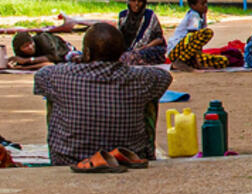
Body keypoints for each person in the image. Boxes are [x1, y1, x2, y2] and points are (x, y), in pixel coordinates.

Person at [33, 22, 171, 168]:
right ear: (122, 53)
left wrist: (78, 63)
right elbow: (164, 77)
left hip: (69, 160)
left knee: (52, 95)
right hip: (126, 157)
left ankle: (64, 150)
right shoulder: (140, 78)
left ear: (86, 52)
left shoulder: (60, 76)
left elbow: (41, 75)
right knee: (150, 95)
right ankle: (144, 152)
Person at [167, 0, 229, 70]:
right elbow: (191, 37)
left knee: (223, 60)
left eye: (206, 3)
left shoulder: (201, 15)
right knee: (207, 33)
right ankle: (179, 62)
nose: (205, 6)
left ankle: (189, 62)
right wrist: (198, 62)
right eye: (202, 4)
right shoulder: (194, 16)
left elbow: (197, 43)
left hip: (189, 54)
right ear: (193, 6)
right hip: (178, 51)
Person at [118, 0, 167, 65]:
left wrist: (143, 47)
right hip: (128, 48)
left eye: (140, 1)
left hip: (148, 48)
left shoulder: (149, 15)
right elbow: (120, 36)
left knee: (132, 56)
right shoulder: (123, 16)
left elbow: (159, 39)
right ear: (128, 2)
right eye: (133, 0)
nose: (136, 4)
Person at [10, 28, 79, 69]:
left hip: (68, 52)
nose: (30, 47)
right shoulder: (20, 54)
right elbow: (48, 64)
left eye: (30, 43)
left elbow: (53, 58)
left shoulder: (42, 39)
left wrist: (27, 61)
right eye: (25, 47)